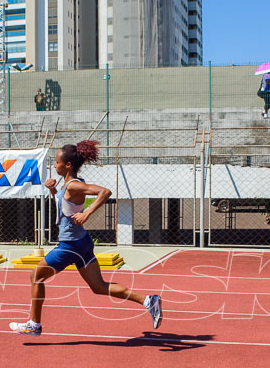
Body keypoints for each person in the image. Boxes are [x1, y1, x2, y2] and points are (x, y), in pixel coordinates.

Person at [10, 140, 162, 336]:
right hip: (82, 242)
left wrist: (87, 213)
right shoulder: (68, 186)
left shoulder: (73, 186)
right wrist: (53, 190)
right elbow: (66, 207)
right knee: (98, 287)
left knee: (36, 277)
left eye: (56, 163)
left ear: (68, 165)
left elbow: (105, 192)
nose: (54, 166)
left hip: (70, 246)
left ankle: (34, 324)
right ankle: (148, 300)